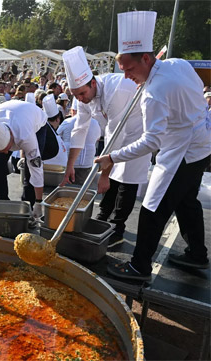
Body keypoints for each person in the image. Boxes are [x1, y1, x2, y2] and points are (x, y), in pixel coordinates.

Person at [96, 11, 211, 281]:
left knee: (152, 206)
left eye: (130, 70)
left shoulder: (153, 94)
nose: (126, 77)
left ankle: (139, 266)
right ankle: (197, 254)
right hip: (202, 142)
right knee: (186, 201)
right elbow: (197, 89)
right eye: (122, 70)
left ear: (146, 58)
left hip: (183, 150)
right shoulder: (178, 64)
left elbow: (151, 142)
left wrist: (112, 156)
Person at [61, 45, 152, 248]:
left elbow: (116, 137)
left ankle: (117, 229)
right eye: (76, 96)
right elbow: (79, 129)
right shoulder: (84, 96)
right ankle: (103, 218)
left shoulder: (115, 91)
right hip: (116, 134)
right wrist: (70, 166)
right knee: (111, 175)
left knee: (126, 180)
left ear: (93, 82)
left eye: (82, 94)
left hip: (137, 132)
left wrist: (103, 176)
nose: (80, 99)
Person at [0, 101, 47, 223]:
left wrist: (39, 202)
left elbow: (37, 169)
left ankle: (29, 205)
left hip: (36, 121)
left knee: (30, 169)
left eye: (7, 149)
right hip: (9, 115)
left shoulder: (26, 135)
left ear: (12, 138)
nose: (6, 152)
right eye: (1, 150)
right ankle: (2, 202)